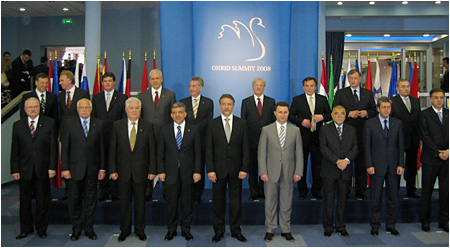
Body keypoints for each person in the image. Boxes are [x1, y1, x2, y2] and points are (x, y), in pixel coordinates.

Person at [109, 97, 157, 242]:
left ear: (140, 110)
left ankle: (140, 230)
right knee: (124, 203)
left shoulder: (148, 126)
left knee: (140, 203)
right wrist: (112, 170)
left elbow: (152, 151)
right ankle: (124, 230)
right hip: (122, 172)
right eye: (131, 108)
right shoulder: (117, 125)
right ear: (126, 110)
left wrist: (152, 170)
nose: (134, 110)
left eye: (137, 108)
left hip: (141, 173)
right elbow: (112, 150)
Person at [11, 97, 57, 239]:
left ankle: (41, 228)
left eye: (35, 107)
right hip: (24, 170)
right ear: (25, 110)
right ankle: (26, 228)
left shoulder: (49, 123)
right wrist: (15, 169)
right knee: (24, 202)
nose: (33, 109)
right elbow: (15, 149)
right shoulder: (18, 125)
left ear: (40, 108)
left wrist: (52, 167)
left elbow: (53, 148)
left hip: (43, 169)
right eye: (30, 107)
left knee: (42, 201)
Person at [206, 94, 249, 243]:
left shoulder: (242, 123)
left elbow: (246, 148)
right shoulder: (212, 124)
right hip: (218, 171)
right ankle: (218, 231)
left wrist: (244, 168)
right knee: (218, 202)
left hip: (237, 171)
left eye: (229, 104)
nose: (226, 107)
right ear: (219, 105)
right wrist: (210, 169)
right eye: (223, 104)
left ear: (233, 105)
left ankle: (236, 230)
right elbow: (209, 149)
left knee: (236, 202)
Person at [61, 98, 105, 241]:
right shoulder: (68, 123)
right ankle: (76, 228)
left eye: (87, 107)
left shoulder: (98, 124)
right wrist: (65, 168)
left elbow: (102, 149)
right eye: (82, 107)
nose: (85, 110)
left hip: (92, 170)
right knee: (74, 201)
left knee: (91, 201)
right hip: (73, 170)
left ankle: (89, 228)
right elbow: (65, 148)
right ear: (77, 109)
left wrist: (102, 168)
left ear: (91, 109)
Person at [258, 101, 303, 242]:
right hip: (270, 172)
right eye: (280, 112)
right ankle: (270, 229)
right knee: (270, 202)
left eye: (285, 112)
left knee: (286, 202)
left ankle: (285, 229)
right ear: (275, 113)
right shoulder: (266, 130)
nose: (282, 115)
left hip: (289, 172)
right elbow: (261, 153)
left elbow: (300, 153)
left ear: (288, 113)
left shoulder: (295, 130)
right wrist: (263, 171)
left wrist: (299, 171)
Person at [157, 102, 201, 242]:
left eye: (180, 112)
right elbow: (160, 153)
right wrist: (161, 171)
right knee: (171, 204)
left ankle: (186, 230)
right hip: (170, 174)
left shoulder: (194, 130)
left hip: (188, 173)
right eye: (175, 113)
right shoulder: (164, 130)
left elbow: (198, 153)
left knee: (187, 203)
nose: (177, 115)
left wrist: (197, 171)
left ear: (185, 114)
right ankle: (171, 230)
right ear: (171, 115)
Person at [333, 69, 377, 200]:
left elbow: (374, 111)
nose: (353, 80)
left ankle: (360, 191)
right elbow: (334, 110)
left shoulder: (368, 93)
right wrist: (348, 113)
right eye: (350, 78)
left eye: (355, 78)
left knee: (361, 164)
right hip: (346, 135)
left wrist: (366, 113)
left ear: (360, 79)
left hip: (363, 134)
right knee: (346, 165)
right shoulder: (341, 93)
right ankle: (344, 191)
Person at [364, 96, 404, 236]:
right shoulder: (370, 124)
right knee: (376, 198)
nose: (386, 110)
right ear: (378, 108)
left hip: (393, 166)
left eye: (388, 107)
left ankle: (391, 225)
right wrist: (369, 164)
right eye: (384, 107)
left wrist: (400, 164)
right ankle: (375, 225)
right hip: (376, 166)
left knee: (393, 198)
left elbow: (400, 145)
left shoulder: (397, 123)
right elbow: (367, 147)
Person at [289, 77, 331, 199]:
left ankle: (316, 190)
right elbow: (291, 116)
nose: (309, 88)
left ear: (315, 86)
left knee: (317, 165)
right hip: (302, 137)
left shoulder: (322, 99)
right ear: (303, 87)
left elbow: (330, 115)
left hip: (319, 138)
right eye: (307, 86)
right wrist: (301, 121)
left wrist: (322, 117)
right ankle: (302, 191)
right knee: (301, 165)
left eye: (311, 85)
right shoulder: (297, 100)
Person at [320, 105, 358, 237]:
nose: (340, 116)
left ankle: (341, 226)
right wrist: (337, 161)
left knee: (343, 200)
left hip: (345, 169)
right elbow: (323, 148)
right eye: (336, 113)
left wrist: (346, 161)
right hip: (329, 169)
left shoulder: (351, 130)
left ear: (346, 115)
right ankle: (328, 226)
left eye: (342, 113)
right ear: (332, 115)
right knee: (328, 200)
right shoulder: (325, 129)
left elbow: (355, 148)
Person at [138, 69, 176, 200]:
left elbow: (173, 117)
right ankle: (148, 191)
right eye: (152, 79)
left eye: (157, 78)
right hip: (147, 135)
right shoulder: (142, 96)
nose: (155, 81)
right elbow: (140, 118)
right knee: (148, 162)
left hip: (165, 135)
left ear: (162, 79)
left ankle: (166, 191)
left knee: (165, 162)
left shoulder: (170, 95)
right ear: (149, 80)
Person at [92, 72, 128, 202]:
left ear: (114, 82)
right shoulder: (96, 98)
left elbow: (124, 118)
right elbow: (94, 118)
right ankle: (103, 190)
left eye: (110, 81)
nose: (107, 83)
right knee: (102, 163)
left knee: (115, 163)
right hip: (100, 136)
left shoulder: (122, 97)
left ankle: (115, 190)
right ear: (102, 83)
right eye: (105, 81)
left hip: (116, 136)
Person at [180, 76, 213, 203]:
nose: (191, 88)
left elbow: (208, 120)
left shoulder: (208, 102)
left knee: (200, 166)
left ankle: (198, 193)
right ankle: (188, 193)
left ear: (200, 87)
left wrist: (194, 128)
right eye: (190, 86)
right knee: (188, 167)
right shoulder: (184, 101)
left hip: (202, 140)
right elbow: (181, 119)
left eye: (194, 86)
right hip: (187, 141)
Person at [419, 88, 448, 232]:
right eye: (436, 97)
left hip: (447, 159)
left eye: (441, 97)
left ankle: (444, 220)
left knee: (446, 191)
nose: (439, 100)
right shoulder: (425, 114)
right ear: (431, 99)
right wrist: (438, 153)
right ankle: (425, 220)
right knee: (427, 191)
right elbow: (425, 136)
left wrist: (448, 152)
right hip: (431, 159)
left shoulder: (449, 113)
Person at [241, 77, 276, 201]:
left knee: (265, 167)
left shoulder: (271, 102)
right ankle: (254, 192)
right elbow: (243, 123)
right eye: (256, 85)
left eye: (261, 85)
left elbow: (273, 122)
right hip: (251, 141)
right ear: (252, 87)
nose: (258, 87)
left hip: (267, 141)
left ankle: (263, 191)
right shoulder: (246, 102)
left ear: (264, 87)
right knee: (253, 167)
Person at [58, 69, 90, 201]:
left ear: (69, 80)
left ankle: (82, 189)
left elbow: (86, 113)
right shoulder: (60, 95)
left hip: (80, 132)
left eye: (61, 80)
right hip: (65, 132)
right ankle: (68, 189)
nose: (59, 83)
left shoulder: (82, 93)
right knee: (67, 158)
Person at [390, 79, 421, 198]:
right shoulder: (392, 102)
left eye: (407, 86)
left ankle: (411, 190)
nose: (406, 88)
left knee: (412, 166)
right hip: (397, 140)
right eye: (403, 86)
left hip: (413, 139)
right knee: (396, 166)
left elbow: (419, 120)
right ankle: (395, 191)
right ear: (397, 89)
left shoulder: (416, 101)